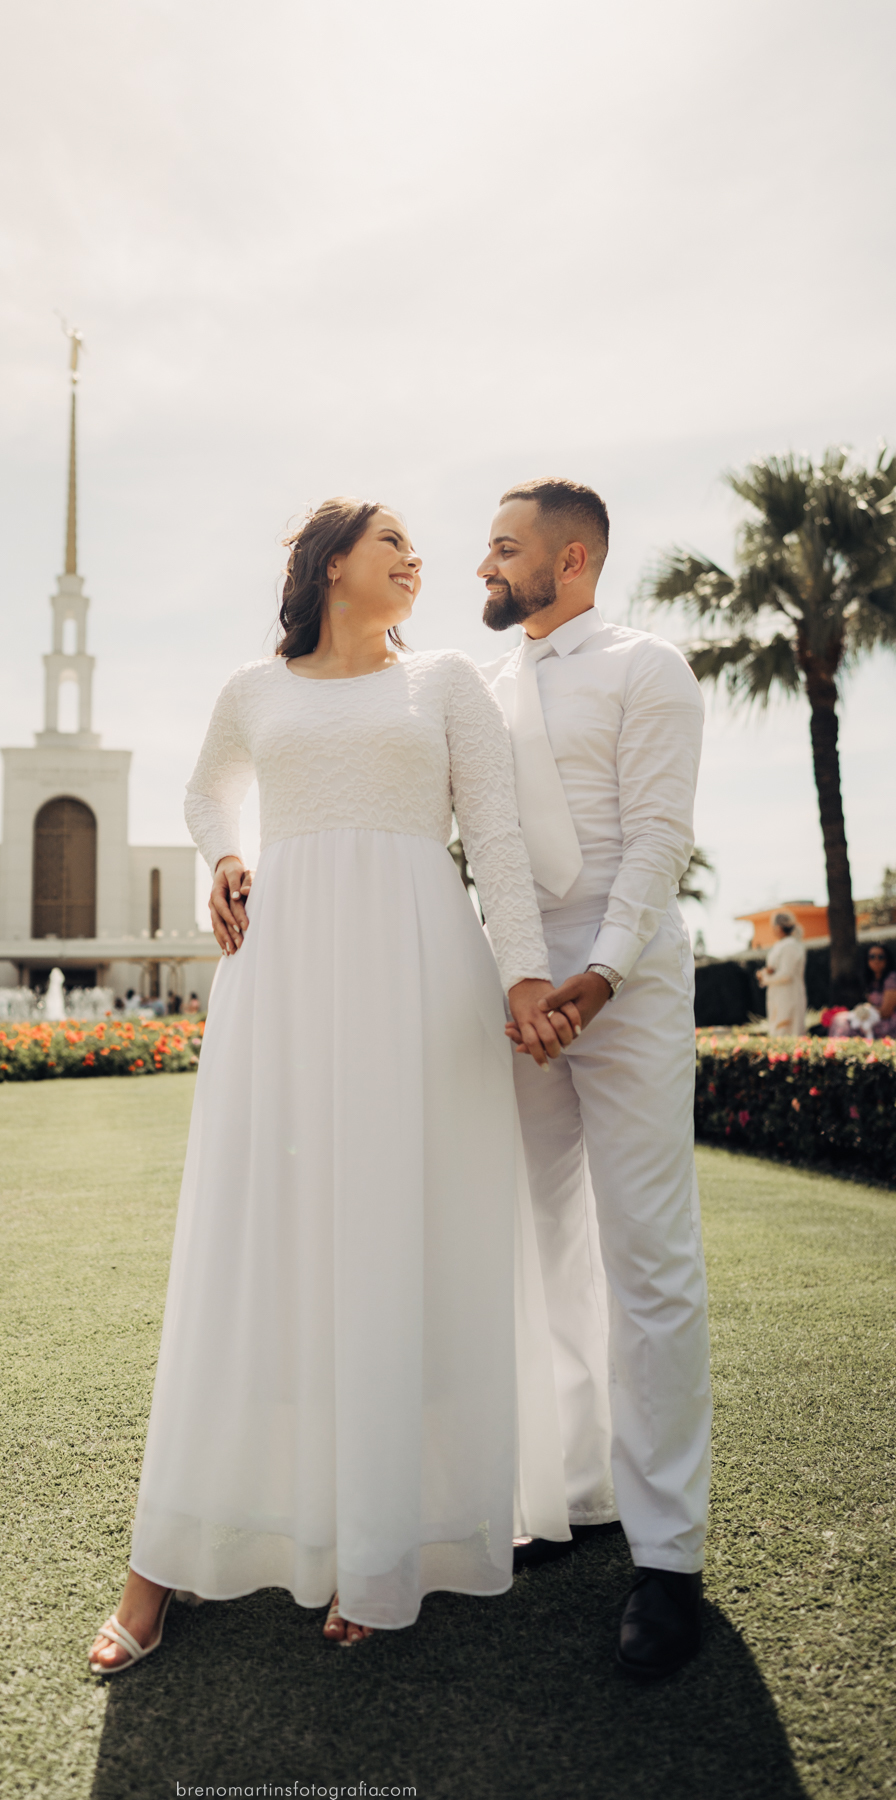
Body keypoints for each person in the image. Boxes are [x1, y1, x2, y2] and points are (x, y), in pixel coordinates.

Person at [88, 497, 570, 1673]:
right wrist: (229, 858)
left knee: (407, 1241)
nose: (418, 558)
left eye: (417, 546)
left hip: (422, 975)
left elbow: (496, 840)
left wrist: (524, 979)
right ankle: (161, 1567)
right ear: (331, 565)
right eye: (393, 540)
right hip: (286, 981)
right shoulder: (255, 689)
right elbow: (209, 793)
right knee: (256, 1239)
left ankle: (382, 1550)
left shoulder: (448, 680)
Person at [478, 477, 710, 1679]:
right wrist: (524, 977)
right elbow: (491, 843)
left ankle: (668, 1556)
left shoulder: (647, 667)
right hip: (520, 995)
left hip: (628, 990)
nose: (484, 567)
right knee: (539, 1243)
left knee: (650, 1258)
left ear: (572, 561)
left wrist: (602, 975)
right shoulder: (483, 687)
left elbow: (660, 837)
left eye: (503, 550)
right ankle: (569, 1497)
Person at [829, 942, 896, 1038]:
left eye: (880, 957)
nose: (876, 960)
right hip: (873, 1018)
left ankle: (840, 1048)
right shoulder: (871, 981)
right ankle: (834, 1048)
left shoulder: (891, 978)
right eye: (872, 957)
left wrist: (863, 1013)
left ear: (887, 959)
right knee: (838, 1018)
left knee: (845, 1023)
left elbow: (886, 1012)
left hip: (887, 1022)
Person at [756, 910, 807, 1035]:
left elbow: (786, 974)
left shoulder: (791, 946)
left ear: (778, 928)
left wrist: (765, 977)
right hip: (778, 996)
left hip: (788, 997)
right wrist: (766, 973)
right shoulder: (781, 945)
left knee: (787, 1033)